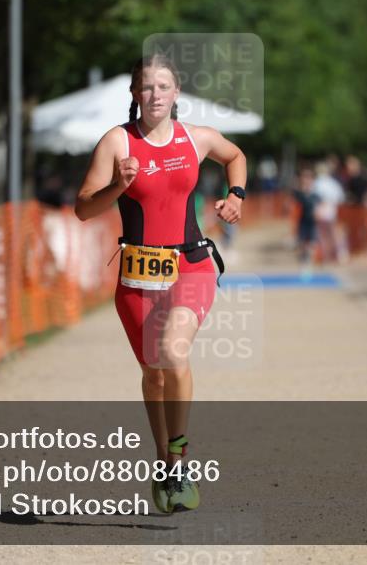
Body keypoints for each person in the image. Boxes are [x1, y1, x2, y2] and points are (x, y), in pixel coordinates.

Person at [74, 54, 246, 514]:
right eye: (146, 88)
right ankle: (163, 461)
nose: (154, 96)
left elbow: (236, 156)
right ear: (134, 95)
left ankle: (180, 458)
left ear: (177, 94)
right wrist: (118, 187)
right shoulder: (116, 143)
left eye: (163, 87)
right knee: (153, 372)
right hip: (136, 276)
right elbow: (84, 208)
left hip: (190, 265)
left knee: (173, 351)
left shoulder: (197, 138)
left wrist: (237, 195)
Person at [292, 167, 320, 276]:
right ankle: (303, 264)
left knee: (312, 244)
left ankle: (309, 263)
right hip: (303, 221)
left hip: (312, 222)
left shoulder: (315, 194)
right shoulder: (299, 193)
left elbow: (319, 205)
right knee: (302, 244)